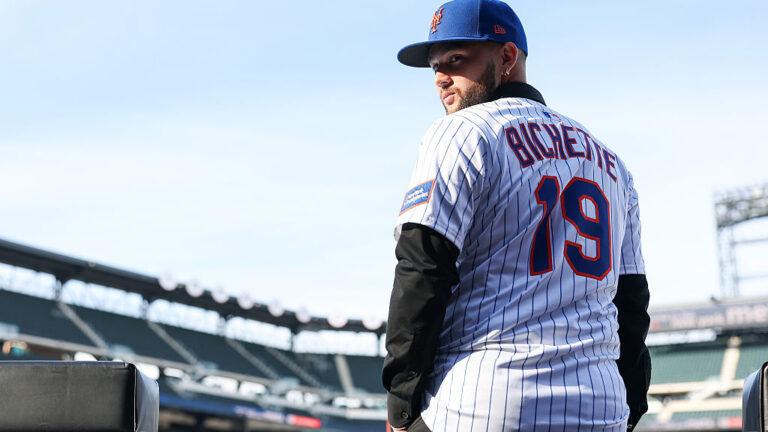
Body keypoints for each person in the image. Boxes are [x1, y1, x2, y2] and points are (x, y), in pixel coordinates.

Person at [381, 1, 651, 431]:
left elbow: (422, 268)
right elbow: (631, 303)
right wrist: (630, 406)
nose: (440, 78)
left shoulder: (462, 131)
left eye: (456, 60)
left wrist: (400, 402)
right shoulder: (612, 164)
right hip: (600, 407)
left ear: (507, 58)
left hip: (485, 400)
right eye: (435, 66)